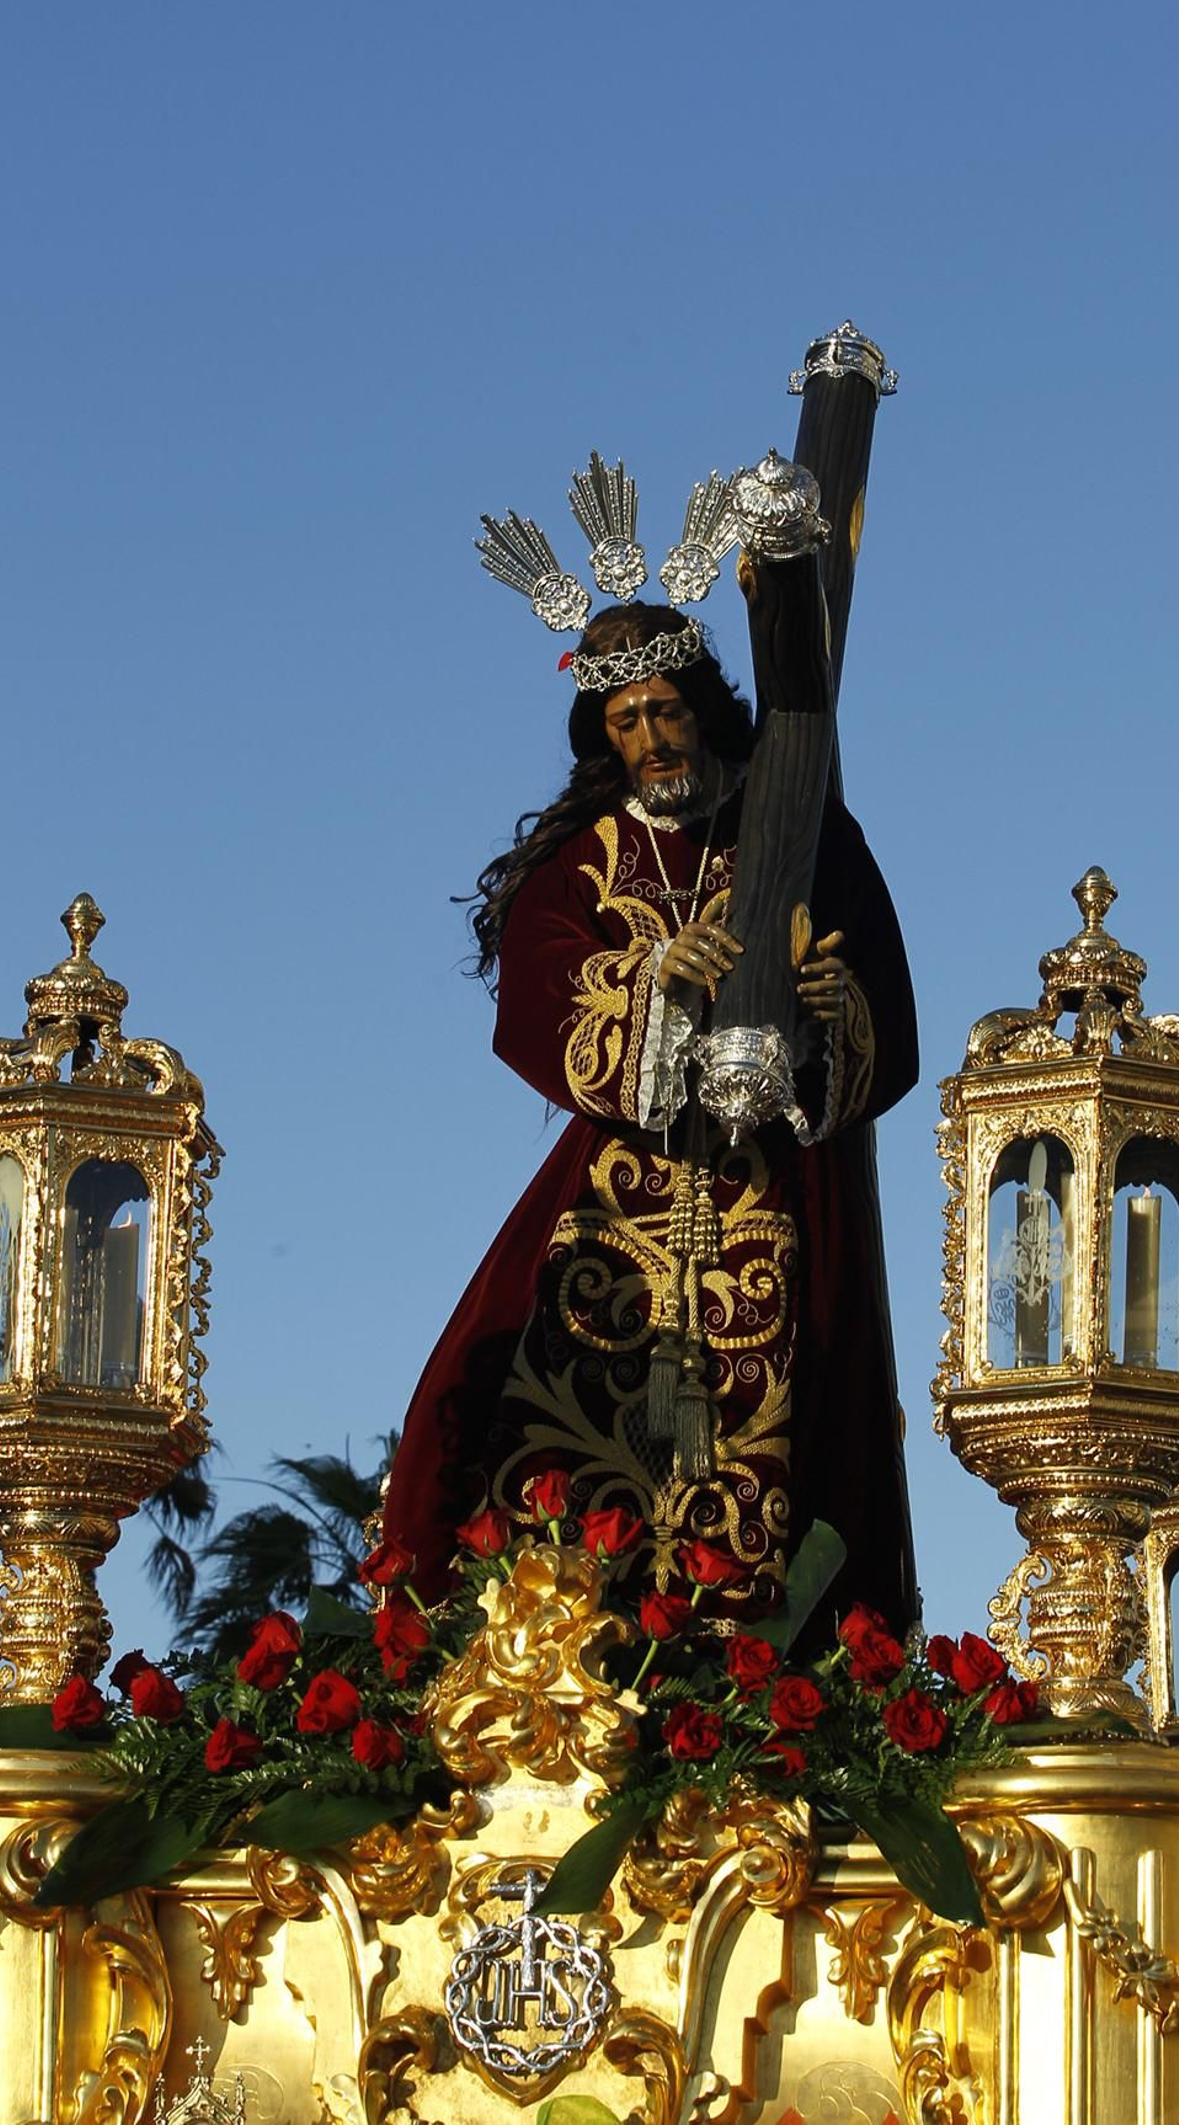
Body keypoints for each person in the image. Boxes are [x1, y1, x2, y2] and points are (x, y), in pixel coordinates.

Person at [384, 602, 918, 1626]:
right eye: (625, 722)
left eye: (665, 712)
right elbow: (538, 992)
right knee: (517, 1383)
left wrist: (823, 1013)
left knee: (792, 1422)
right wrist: (653, 983)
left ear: (703, 709)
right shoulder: (587, 855)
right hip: (622, 1188)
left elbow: (877, 993)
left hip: (771, 1186)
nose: (651, 741)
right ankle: (549, 1636)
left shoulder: (798, 826)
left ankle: (769, 1663)